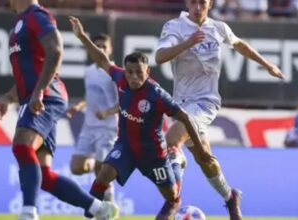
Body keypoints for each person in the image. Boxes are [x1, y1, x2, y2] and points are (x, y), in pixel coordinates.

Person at [69, 16, 211, 220]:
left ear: (148, 71)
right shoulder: (119, 78)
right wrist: (82, 36)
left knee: (172, 197)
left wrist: (200, 149)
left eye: (139, 73)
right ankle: (92, 214)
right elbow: (101, 59)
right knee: (103, 174)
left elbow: (186, 119)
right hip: (125, 146)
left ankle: (176, 162)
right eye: (130, 72)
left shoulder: (157, 95)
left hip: (153, 153)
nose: (134, 77)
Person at [0, 1, 119, 220]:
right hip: (37, 96)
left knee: (22, 145)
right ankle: (99, 208)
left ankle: (28, 213)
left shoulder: (36, 15)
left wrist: (39, 91)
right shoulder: (20, 22)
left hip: (45, 96)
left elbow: (56, 50)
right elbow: (30, 71)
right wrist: (8, 97)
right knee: (45, 175)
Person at [155, 0, 285, 219]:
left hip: (206, 102)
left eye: (202, 2)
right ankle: (230, 198)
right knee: (205, 159)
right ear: (187, 2)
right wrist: (186, 44)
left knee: (171, 141)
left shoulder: (218, 28)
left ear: (211, 3)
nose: (197, 7)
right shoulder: (174, 26)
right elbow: (159, 57)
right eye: (193, 2)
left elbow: (240, 44)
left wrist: (267, 65)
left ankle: (172, 203)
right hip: (182, 104)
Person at [66, 33, 119, 203]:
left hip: (108, 128)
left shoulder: (115, 73)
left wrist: (107, 112)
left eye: (104, 46)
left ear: (110, 49)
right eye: (97, 46)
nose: (101, 49)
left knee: (100, 167)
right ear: (91, 49)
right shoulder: (88, 72)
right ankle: (100, 163)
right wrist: (78, 106)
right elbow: (88, 96)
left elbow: (124, 103)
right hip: (88, 127)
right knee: (76, 168)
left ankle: (109, 200)